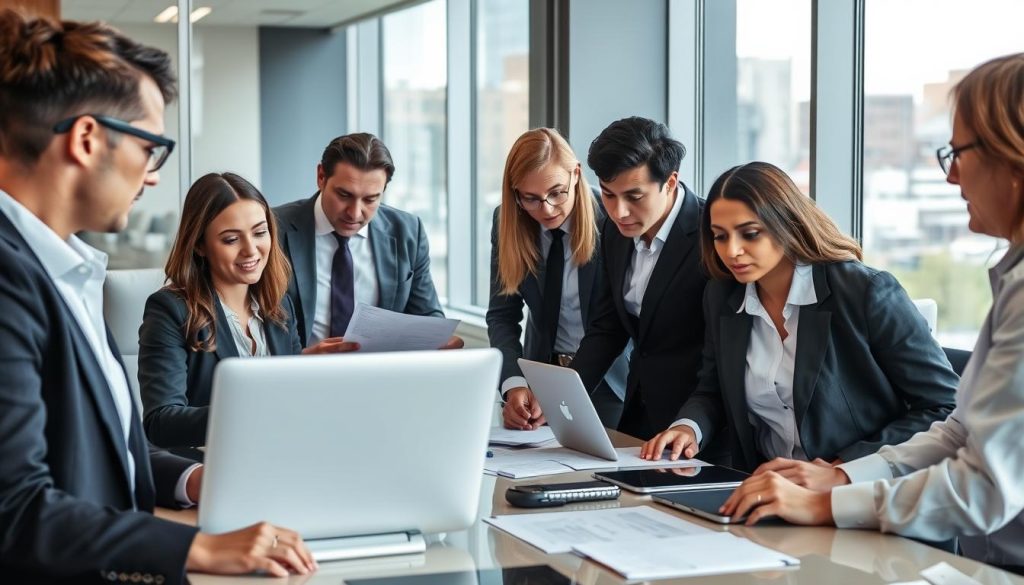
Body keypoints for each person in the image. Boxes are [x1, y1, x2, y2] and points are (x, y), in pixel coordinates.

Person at [0, 11, 313, 581]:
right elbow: (13, 508)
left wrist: (192, 484)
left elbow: (103, 452)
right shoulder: (10, 281)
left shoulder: (65, 274)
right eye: (152, 148)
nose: (151, 177)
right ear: (88, 139)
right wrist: (194, 548)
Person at [715, 53, 1024, 574]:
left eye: (959, 153)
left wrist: (828, 500)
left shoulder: (865, 291)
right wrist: (841, 480)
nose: (951, 177)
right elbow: (957, 431)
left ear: (1012, 156)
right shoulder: (1011, 278)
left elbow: (983, 485)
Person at [639, 162, 958, 472]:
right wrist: (689, 428)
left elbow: (945, 408)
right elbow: (713, 390)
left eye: (750, 233)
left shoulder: (865, 292)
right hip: (764, 490)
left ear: (786, 224)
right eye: (720, 236)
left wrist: (843, 469)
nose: (732, 250)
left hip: (858, 493)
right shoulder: (722, 296)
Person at [514, 117, 709, 441]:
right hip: (638, 416)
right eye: (608, 194)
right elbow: (608, 328)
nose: (619, 211)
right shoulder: (615, 233)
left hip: (698, 427)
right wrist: (561, 401)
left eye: (634, 196)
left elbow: (721, 353)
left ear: (670, 183)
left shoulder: (710, 236)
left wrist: (693, 423)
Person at [139, 172, 329, 458]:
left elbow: (290, 400)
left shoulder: (279, 305)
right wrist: (259, 406)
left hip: (285, 455)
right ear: (200, 245)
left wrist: (309, 375)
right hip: (215, 464)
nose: (251, 250)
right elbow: (161, 423)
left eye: (260, 232)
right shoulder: (170, 310)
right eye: (231, 239)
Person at [489, 128, 630, 430]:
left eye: (556, 192)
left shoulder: (613, 221)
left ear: (576, 174)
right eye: (531, 198)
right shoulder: (508, 223)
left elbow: (614, 323)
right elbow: (502, 315)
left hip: (612, 383)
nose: (547, 208)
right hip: (540, 380)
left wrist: (564, 393)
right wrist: (514, 383)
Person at [275, 133, 462, 351]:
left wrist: (438, 339)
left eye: (370, 199)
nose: (355, 213)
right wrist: (305, 358)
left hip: (382, 376)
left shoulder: (408, 231)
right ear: (321, 177)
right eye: (344, 195)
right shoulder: (274, 229)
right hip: (299, 375)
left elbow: (426, 315)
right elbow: (259, 328)